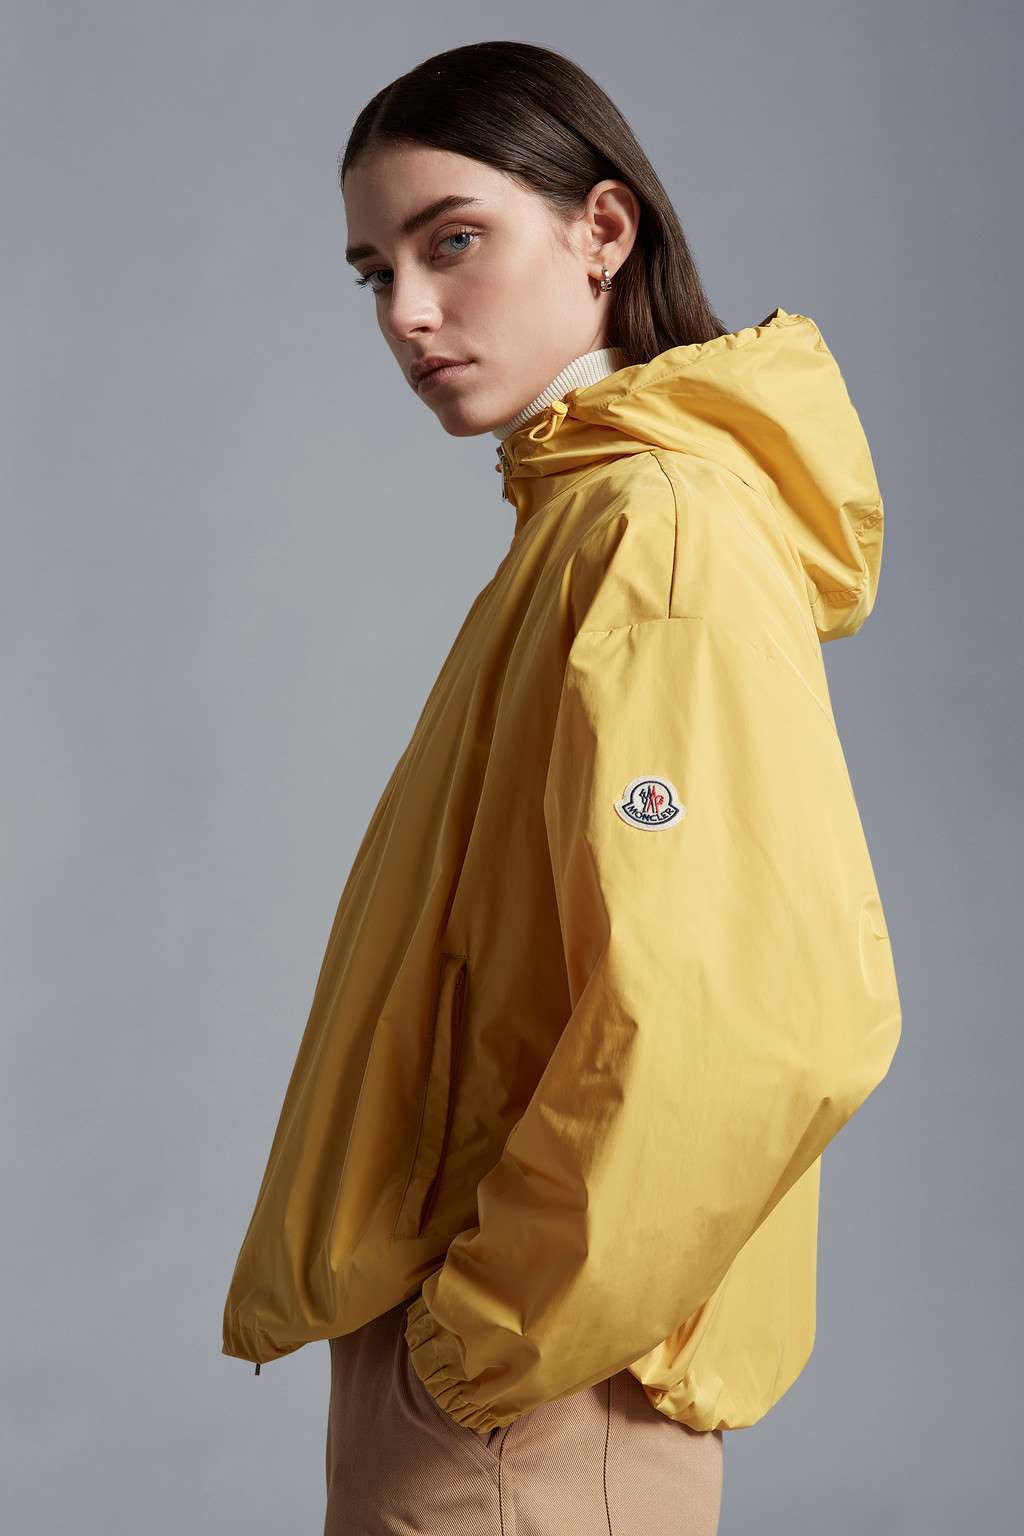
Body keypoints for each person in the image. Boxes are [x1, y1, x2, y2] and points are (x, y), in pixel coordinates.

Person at [221, 39, 903, 1536]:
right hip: (486, 1380)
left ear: (603, 229)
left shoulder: (655, 532)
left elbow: (753, 1016)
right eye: (374, 272)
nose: (406, 312)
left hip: (530, 1406)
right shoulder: (581, 524)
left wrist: (488, 1341)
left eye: (452, 241)